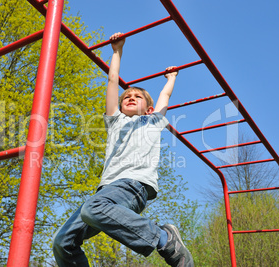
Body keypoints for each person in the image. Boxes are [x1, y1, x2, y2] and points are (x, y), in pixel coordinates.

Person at [52, 32, 194, 267]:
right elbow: (112, 80)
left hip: (133, 186)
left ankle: (164, 238)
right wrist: (117, 51)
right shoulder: (115, 120)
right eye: (127, 96)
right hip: (107, 191)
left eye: (138, 97)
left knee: (92, 208)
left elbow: (165, 97)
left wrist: (171, 78)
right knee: (63, 241)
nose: (130, 97)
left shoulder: (152, 121)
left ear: (148, 109)